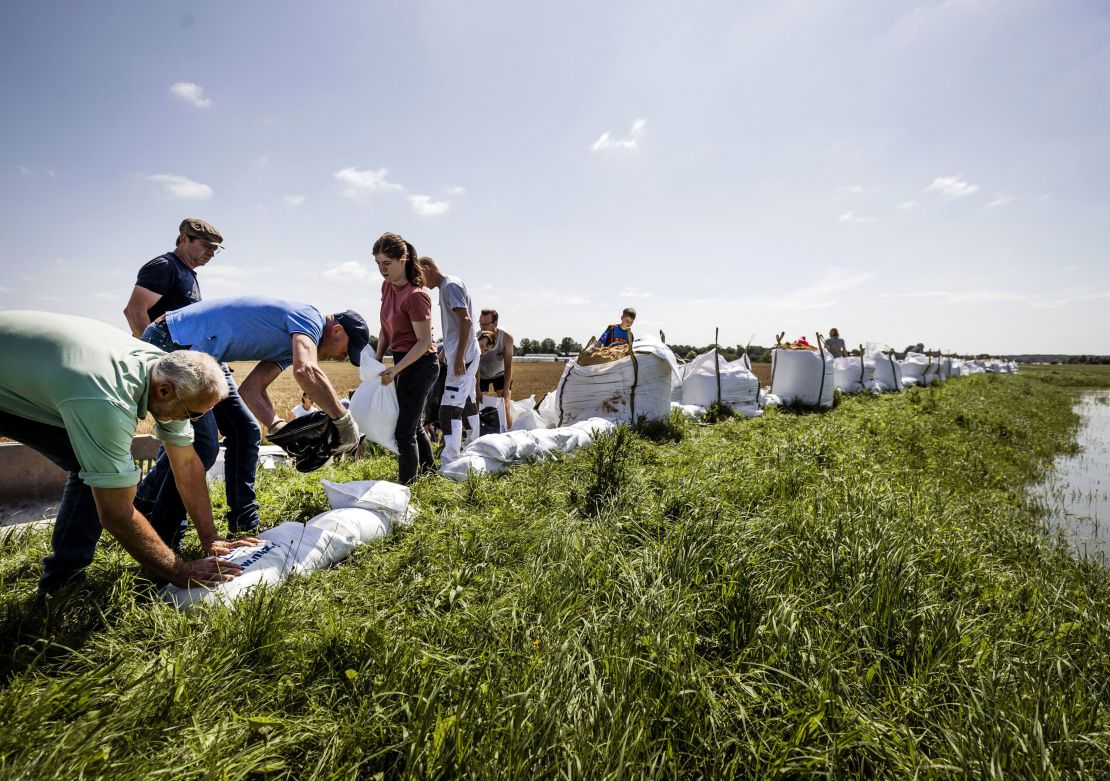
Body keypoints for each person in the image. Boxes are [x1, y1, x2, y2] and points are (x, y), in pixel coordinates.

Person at [0, 311, 256, 596]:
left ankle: (61, 581)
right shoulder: (107, 401)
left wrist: (210, 539)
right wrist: (178, 570)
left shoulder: (164, 369)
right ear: (164, 391)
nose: (192, 421)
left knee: (93, 467)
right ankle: (59, 588)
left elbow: (186, 466)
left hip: (33, 364)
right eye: (191, 414)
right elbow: (116, 513)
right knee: (95, 473)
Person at [136, 295, 369, 542]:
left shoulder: (291, 342)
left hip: (205, 356)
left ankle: (243, 523)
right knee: (202, 445)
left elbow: (252, 389)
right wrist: (344, 421)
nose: (342, 355)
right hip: (174, 343)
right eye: (347, 348)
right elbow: (306, 371)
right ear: (337, 329)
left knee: (245, 432)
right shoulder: (310, 318)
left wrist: (278, 427)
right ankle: (166, 539)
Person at [373, 232, 441, 484]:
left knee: (404, 431)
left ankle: (407, 489)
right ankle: (431, 473)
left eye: (387, 263)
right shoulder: (387, 287)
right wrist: (378, 358)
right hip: (402, 360)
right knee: (412, 425)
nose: (382, 269)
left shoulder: (417, 296)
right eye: (378, 263)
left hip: (421, 364)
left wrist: (396, 369)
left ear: (403, 260)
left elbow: (423, 343)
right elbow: (385, 326)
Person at [417, 256, 481, 463]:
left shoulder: (450, 286)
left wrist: (459, 356)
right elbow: (456, 325)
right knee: (467, 402)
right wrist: (448, 350)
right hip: (463, 353)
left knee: (449, 409)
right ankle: (473, 446)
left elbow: (466, 322)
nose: (420, 283)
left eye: (419, 276)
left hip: (464, 356)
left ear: (427, 269)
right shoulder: (449, 284)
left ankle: (450, 459)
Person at [123, 218, 223, 338]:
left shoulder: (187, 272)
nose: (211, 254)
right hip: (161, 355)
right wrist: (153, 352)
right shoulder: (166, 265)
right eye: (207, 246)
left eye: (215, 249)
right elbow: (134, 311)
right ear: (184, 238)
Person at [478, 309, 515, 429]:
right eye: (480, 323)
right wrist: (477, 389)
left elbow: (508, 365)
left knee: (505, 404)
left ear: (495, 324)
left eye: (485, 324)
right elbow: (475, 365)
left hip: (500, 373)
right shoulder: (476, 337)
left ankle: (509, 431)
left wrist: (505, 389)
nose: (482, 327)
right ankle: (481, 433)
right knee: (479, 405)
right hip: (481, 375)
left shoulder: (506, 338)